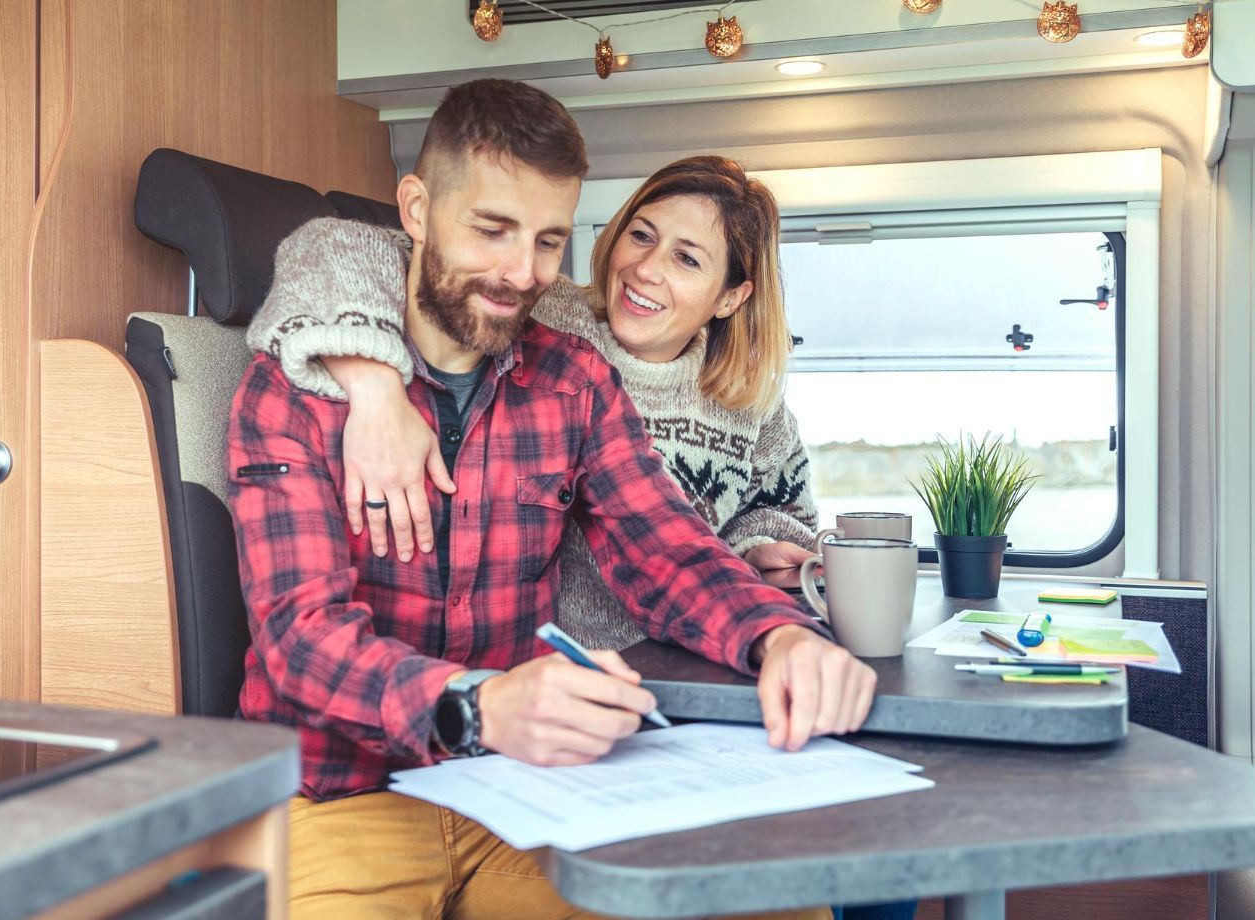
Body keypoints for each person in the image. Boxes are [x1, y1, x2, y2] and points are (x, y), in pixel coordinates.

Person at [229, 78, 874, 918]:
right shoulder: (294, 389)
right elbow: (299, 639)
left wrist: (778, 637)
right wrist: (479, 705)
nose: (519, 273)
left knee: (777, 903)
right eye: (491, 231)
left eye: (546, 242)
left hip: (517, 795)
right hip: (338, 794)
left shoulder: (572, 379)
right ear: (417, 210)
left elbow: (665, 549)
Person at [251, 156, 821, 652]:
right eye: (642, 235)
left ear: (732, 296)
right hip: (565, 659)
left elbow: (772, 517)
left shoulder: (748, 394)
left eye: (687, 259)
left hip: (694, 643)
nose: (646, 270)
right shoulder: (545, 319)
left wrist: (756, 551)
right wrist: (376, 390)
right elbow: (338, 245)